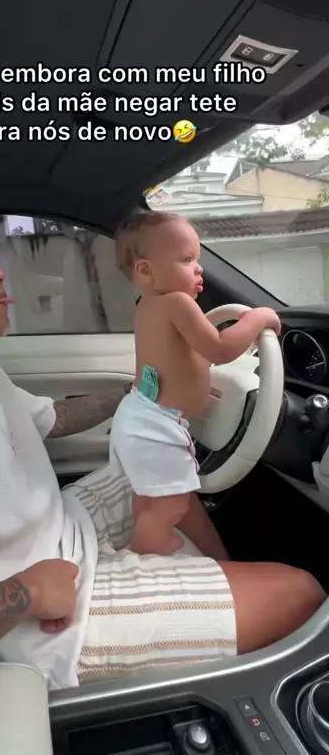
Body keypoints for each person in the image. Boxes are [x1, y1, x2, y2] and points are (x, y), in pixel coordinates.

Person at [0, 200, 325, 747]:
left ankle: (223, 601)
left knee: (173, 483)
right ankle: (233, 616)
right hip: (44, 619)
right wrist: (24, 593)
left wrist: (140, 393)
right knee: (301, 593)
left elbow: (54, 418)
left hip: (64, 529)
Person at [111, 212, 282, 556]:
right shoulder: (178, 303)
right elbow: (219, 349)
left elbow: (182, 357)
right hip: (157, 427)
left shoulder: (146, 306)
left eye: (197, 259)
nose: (199, 268)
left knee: (148, 493)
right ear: (146, 271)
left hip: (137, 417)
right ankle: (148, 545)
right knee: (172, 504)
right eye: (187, 259)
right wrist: (258, 317)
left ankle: (146, 523)